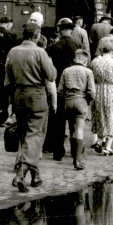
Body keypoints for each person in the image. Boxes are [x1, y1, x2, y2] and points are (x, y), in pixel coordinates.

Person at [5, 23, 57, 193]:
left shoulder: (13, 51)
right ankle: (20, 174)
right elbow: (51, 75)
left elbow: (8, 79)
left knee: (25, 135)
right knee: (35, 136)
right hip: (36, 95)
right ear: (37, 35)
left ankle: (35, 176)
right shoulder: (40, 52)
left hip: (18, 95)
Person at [43, 18, 81, 161]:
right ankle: (74, 150)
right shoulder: (78, 45)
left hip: (58, 86)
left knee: (58, 121)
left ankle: (57, 150)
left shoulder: (53, 47)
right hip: (75, 87)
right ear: (71, 30)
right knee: (74, 121)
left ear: (60, 30)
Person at [59, 49, 96, 169]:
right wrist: (88, 101)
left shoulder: (66, 70)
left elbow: (60, 90)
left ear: (75, 59)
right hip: (81, 101)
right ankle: (78, 160)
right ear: (85, 61)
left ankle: (73, 152)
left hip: (68, 102)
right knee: (79, 129)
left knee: (71, 129)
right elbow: (92, 91)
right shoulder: (88, 72)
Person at [89, 39, 113, 155]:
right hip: (112, 90)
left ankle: (100, 141)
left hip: (98, 90)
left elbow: (90, 77)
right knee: (112, 117)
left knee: (99, 116)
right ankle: (107, 148)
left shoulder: (94, 62)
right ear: (112, 51)